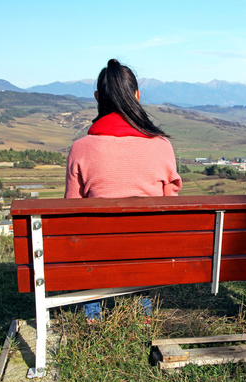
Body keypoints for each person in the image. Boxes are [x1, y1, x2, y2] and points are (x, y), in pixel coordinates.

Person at [65, 58, 182, 321]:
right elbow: (171, 209)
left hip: (96, 256)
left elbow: (70, 209)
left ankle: (93, 319)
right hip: (146, 254)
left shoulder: (81, 148)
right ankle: (143, 316)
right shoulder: (162, 146)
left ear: (97, 97)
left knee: (90, 240)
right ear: (137, 96)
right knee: (146, 239)